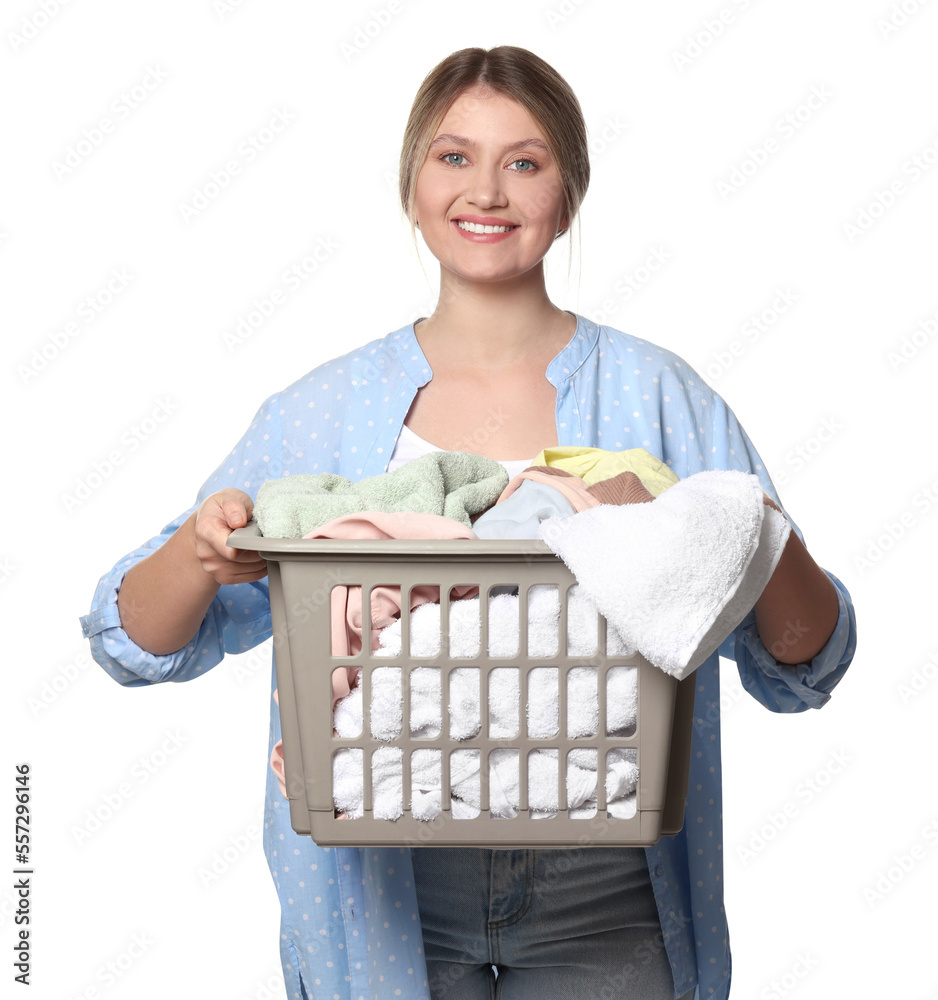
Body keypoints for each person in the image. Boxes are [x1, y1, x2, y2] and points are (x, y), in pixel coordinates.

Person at [81, 45, 856, 1000]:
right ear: (411, 182)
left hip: (607, 891)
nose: (485, 189)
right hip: (383, 890)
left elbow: (805, 662)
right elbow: (133, 640)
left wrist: (756, 530)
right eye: (453, 156)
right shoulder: (318, 412)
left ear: (568, 193)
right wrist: (202, 553)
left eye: (524, 162)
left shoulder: (657, 400)